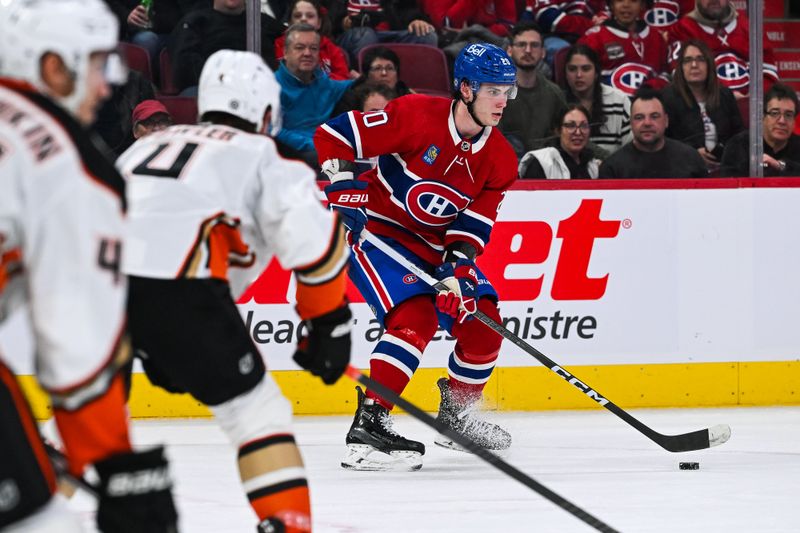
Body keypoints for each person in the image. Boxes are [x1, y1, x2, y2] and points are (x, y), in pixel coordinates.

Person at [116, 49, 353, 533]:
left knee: (93, 407)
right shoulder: (261, 155)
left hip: (93, 285)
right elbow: (319, 244)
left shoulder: (142, 147)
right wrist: (328, 326)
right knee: (257, 413)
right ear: (267, 113)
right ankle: (286, 523)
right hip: (180, 292)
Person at [0, 1, 178, 532]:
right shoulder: (72, 167)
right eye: (99, 64)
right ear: (53, 66)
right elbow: (78, 337)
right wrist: (116, 466)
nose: (106, 87)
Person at [314, 42, 518, 471]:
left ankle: (457, 418)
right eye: (493, 91)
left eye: (507, 91)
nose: (502, 101)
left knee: (484, 320)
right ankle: (368, 427)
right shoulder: (416, 114)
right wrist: (339, 185)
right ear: (465, 88)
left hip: (433, 247)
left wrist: (456, 269)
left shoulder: (500, 158)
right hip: (378, 231)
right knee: (416, 318)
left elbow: (473, 227)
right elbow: (332, 136)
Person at [275, 23, 353, 166]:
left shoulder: (324, 83)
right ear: (285, 52)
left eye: (313, 48)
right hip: (291, 155)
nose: (307, 53)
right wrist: (315, 144)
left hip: (325, 149)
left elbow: (355, 86)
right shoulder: (272, 86)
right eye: (300, 48)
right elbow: (274, 130)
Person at [169, 0, 285, 94]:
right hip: (212, 88)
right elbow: (186, 66)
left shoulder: (262, 22)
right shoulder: (196, 22)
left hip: (260, 88)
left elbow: (292, 44)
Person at [661, 39, 743, 172]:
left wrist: (725, 153)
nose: (694, 65)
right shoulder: (667, 98)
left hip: (724, 172)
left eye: (700, 59)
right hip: (683, 172)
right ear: (681, 67)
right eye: (687, 60)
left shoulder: (725, 95)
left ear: (709, 64)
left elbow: (739, 137)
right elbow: (662, 142)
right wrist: (691, 154)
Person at [667, 0, 780, 96]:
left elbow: (768, 74)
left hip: (749, 106)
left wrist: (752, 98)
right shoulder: (682, 29)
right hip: (703, 108)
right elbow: (681, 77)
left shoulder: (750, 28)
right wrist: (722, 99)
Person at [599, 88, 708, 178]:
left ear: (666, 121)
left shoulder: (691, 158)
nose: (647, 123)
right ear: (630, 123)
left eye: (654, 116)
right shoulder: (612, 168)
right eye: (639, 117)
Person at [499, 21, 567, 157]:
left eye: (534, 45)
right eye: (521, 45)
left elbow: (568, 132)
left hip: (545, 168)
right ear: (510, 51)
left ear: (543, 52)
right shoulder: (495, 93)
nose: (528, 50)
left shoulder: (554, 93)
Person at [578, 0, 670, 96]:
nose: (626, 5)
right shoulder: (594, 37)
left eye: (633, 1)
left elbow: (665, 75)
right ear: (611, 4)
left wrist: (650, 88)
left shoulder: (656, 37)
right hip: (607, 103)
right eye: (620, 0)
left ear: (643, 4)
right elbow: (582, 77)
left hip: (650, 104)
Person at [563, 43, 631, 155]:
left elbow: (630, 149)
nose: (579, 75)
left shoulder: (619, 100)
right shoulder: (558, 101)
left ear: (596, 72)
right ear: (565, 73)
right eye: (572, 69)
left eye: (586, 69)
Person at [720, 83, 800, 177]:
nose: (782, 121)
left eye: (788, 115)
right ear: (762, 116)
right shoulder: (739, 145)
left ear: (794, 120)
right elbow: (729, 185)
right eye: (775, 113)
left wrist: (780, 166)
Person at [328, 0, 438, 68]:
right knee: (366, 34)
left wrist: (416, 20)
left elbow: (408, 9)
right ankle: (367, 84)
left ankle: (411, 88)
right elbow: (326, 17)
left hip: (391, 33)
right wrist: (342, 22)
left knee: (427, 35)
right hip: (353, 35)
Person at [519, 104, 602, 178]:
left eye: (583, 126)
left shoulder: (592, 166)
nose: (578, 132)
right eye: (571, 126)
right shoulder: (540, 163)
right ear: (558, 130)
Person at [274, 0, 351, 81]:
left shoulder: (330, 47)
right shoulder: (280, 45)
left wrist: (318, 81)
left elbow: (343, 77)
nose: (303, 19)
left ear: (319, 23)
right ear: (289, 22)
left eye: (310, 16)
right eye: (297, 16)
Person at [332, 45, 413, 115]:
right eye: (377, 68)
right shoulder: (351, 99)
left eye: (390, 68)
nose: (384, 73)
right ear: (367, 74)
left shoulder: (406, 96)